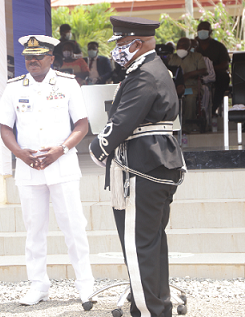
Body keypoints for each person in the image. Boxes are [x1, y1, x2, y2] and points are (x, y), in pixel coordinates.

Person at [90, 17, 185, 317]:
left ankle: (149, 311)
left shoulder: (143, 74)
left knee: (139, 246)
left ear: (137, 43)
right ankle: (160, 305)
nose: (117, 50)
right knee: (153, 243)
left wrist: (97, 149)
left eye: (120, 43)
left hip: (143, 167)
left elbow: (122, 122)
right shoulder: (155, 69)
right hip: (156, 164)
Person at [0, 35, 95, 307]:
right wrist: (19, 154)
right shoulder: (14, 88)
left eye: (39, 56)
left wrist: (60, 150)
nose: (33, 61)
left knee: (74, 227)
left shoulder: (66, 84)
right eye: (28, 57)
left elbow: (82, 125)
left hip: (61, 164)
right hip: (29, 168)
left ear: (52, 58)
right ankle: (38, 285)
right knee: (34, 231)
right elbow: (5, 127)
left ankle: (86, 285)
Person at [168, 37, 207, 132]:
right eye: (179, 46)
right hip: (175, 87)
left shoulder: (197, 57)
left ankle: (188, 124)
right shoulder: (172, 58)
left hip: (191, 86)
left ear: (189, 47)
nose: (181, 48)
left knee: (190, 97)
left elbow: (204, 70)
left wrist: (189, 74)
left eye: (184, 46)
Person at [195, 21, 230, 116]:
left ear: (210, 32)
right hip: (194, 73)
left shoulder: (218, 46)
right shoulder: (192, 45)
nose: (202, 31)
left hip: (215, 73)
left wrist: (210, 69)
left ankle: (213, 108)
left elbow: (225, 64)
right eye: (200, 29)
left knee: (224, 78)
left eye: (205, 29)